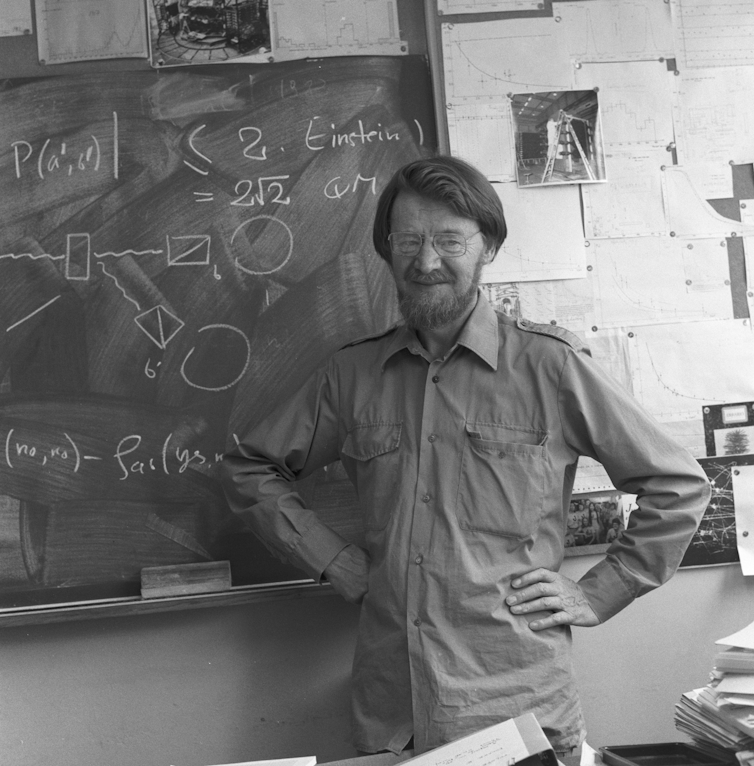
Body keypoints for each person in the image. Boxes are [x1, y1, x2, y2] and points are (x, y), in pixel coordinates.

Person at [221, 155, 710, 756]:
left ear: (489, 248)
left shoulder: (549, 366)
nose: (426, 262)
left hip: (519, 708)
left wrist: (600, 591)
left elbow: (680, 485)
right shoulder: (351, 375)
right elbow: (249, 468)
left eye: (450, 240)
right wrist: (335, 560)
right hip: (392, 711)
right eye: (408, 241)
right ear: (386, 250)